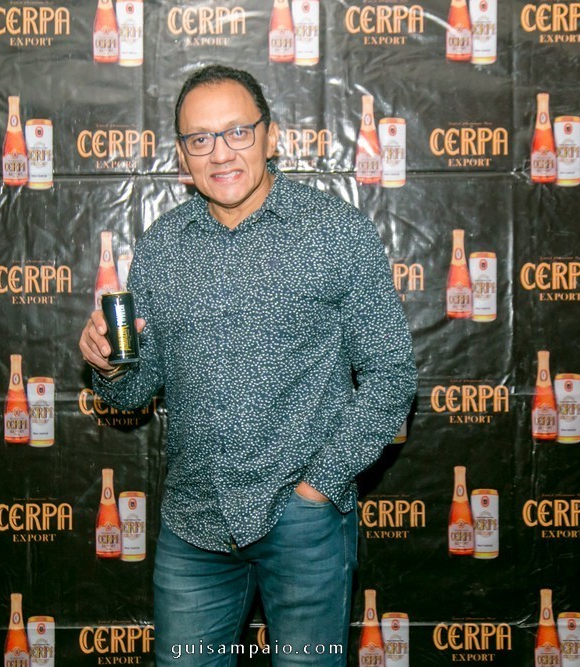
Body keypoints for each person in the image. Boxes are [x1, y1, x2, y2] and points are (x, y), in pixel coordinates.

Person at [79, 65, 417, 666]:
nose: (220, 153)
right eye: (200, 139)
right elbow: (136, 392)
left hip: (303, 523)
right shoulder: (161, 247)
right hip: (194, 523)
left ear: (271, 136)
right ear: (181, 153)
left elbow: (391, 376)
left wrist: (319, 486)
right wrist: (109, 368)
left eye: (237, 132)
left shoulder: (336, 233)